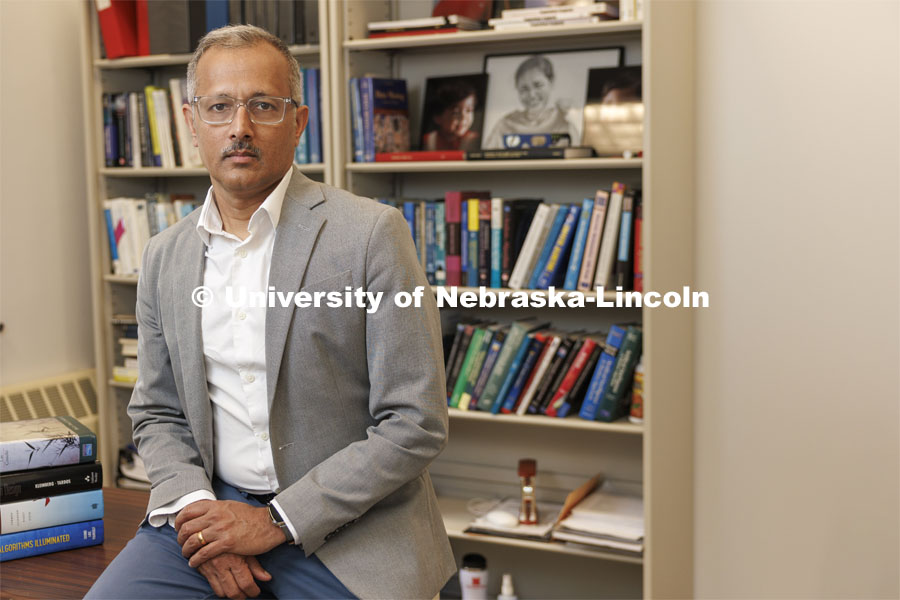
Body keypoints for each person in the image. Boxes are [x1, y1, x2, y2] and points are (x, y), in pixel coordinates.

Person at [86, 24, 455, 600]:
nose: (240, 127)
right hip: (208, 511)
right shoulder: (164, 256)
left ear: (299, 120)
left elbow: (415, 422)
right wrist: (199, 519)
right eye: (219, 107)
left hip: (349, 531)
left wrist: (274, 521)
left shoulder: (371, 234)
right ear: (191, 122)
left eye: (263, 105)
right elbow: (158, 413)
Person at [484, 54, 580, 149]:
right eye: (524, 89)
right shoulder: (506, 124)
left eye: (538, 85)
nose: (532, 95)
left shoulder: (563, 123)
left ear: (551, 82)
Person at [422, 81, 480, 152]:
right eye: (455, 113)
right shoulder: (429, 140)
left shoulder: (473, 140)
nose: (463, 118)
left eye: (468, 110)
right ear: (438, 117)